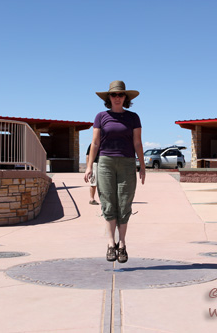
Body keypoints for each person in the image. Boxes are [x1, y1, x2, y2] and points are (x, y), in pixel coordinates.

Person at [84, 80, 146, 264]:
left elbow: (137, 143)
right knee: (109, 202)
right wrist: (89, 166)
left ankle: (123, 244)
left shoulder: (133, 117)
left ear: (125, 97)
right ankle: (111, 243)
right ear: (108, 98)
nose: (117, 98)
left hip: (127, 163)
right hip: (105, 163)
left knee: (124, 203)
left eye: (120, 95)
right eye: (114, 95)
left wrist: (142, 166)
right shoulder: (101, 116)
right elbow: (95, 143)